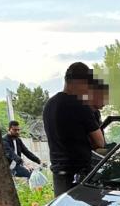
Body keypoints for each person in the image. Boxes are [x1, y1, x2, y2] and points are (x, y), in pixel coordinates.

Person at [43, 62, 106, 195]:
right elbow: (100, 142)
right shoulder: (79, 104)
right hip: (79, 176)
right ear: (79, 82)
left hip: (58, 175)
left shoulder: (49, 104)